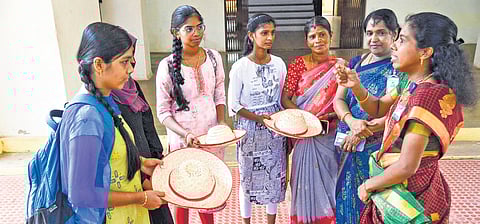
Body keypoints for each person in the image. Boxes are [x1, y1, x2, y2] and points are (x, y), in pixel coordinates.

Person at [335, 12, 478, 223]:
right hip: (405, 187)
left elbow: (407, 166)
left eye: (401, 40)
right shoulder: (413, 84)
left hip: (409, 196)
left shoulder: (427, 96)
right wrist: (355, 86)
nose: (394, 46)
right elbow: (377, 108)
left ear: (425, 52)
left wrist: (368, 185)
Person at [60, 22, 166, 223]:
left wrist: (141, 163)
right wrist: (141, 198)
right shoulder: (87, 118)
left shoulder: (105, 101)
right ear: (99, 65)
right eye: (124, 62)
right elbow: (81, 194)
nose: (130, 70)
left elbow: (106, 154)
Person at [156, 5, 227, 224]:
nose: (196, 34)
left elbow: (219, 94)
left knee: (208, 194)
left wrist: (221, 124)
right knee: (182, 196)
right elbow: (163, 113)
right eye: (189, 29)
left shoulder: (213, 58)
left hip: (210, 140)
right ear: (175, 32)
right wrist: (185, 133)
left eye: (199, 27)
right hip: (183, 143)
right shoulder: (167, 66)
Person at [333, 9, 406, 224]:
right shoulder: (356, 63)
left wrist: (363, 132)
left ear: (395, 34)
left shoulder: (400, 68)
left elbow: (397, 111)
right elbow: (339, 100)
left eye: (381, 33)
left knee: (374, 202)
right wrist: (352, 122)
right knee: (346, 196)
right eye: (370, 32)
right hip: (347, 143)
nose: (374, 38)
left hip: (377, 149)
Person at [281, 16, 342, 224]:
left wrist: (330, 116)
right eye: (313, 36)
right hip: (305, 134)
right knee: (302, 182)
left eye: (322, 35)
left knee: (331, 182)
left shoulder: (340, 67)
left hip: (329, 135)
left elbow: (346, 102)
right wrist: (308, 118)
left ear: (331, 37)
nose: (318, 40)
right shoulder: (298, 65)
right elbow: (285, 99)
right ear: (307, 41)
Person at [228, 13, 287, 224]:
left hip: (275, 130)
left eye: (272, 33)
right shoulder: (240, 67)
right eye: (264, 33)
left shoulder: (279, 64)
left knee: (274, 178)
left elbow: (282, 98)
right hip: (249, 131)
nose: (269, 37)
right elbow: (234, 105)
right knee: (248, 179)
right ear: (252, 36)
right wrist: (259, 119)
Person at [112, 74, 174, 223]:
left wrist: (155, 158)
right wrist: (142, 181)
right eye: (124, 61)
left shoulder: (131, 85)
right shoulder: (91, 113)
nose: (130, 68)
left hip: (144, 166)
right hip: (129, 180)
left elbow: (148, 125)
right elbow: (84, 194)